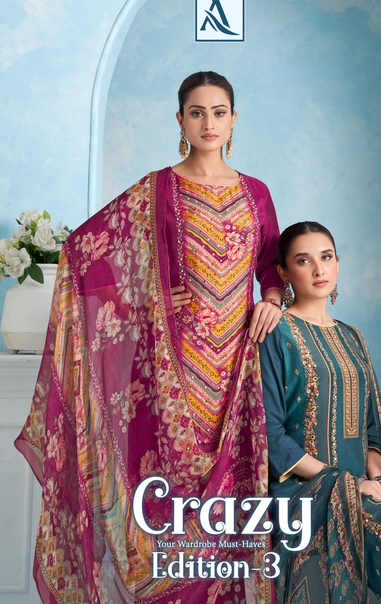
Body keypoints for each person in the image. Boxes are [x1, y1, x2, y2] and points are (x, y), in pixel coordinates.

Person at [15, 71, 283, 604]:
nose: (209, 123)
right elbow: (86, 255)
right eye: (197, 112)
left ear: (234, 120)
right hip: (172, 366)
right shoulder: (157, 189)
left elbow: (270, 264)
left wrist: (273, 300)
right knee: (167, 492)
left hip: (238, 368)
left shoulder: (255, 193)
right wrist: (148, 297)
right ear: (181, 120)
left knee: (232, 503)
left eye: (219, 112)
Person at [259, 221, 381, 603]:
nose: (319, 269)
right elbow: (271, 436)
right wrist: (346, 483)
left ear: (338, 262)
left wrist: (380, 481)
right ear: (284, 272)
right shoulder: (276, 332)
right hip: (304, 493)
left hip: (364, 487)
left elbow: (372, 426)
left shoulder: (352, 337)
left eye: (326, 257)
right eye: (304, 261)